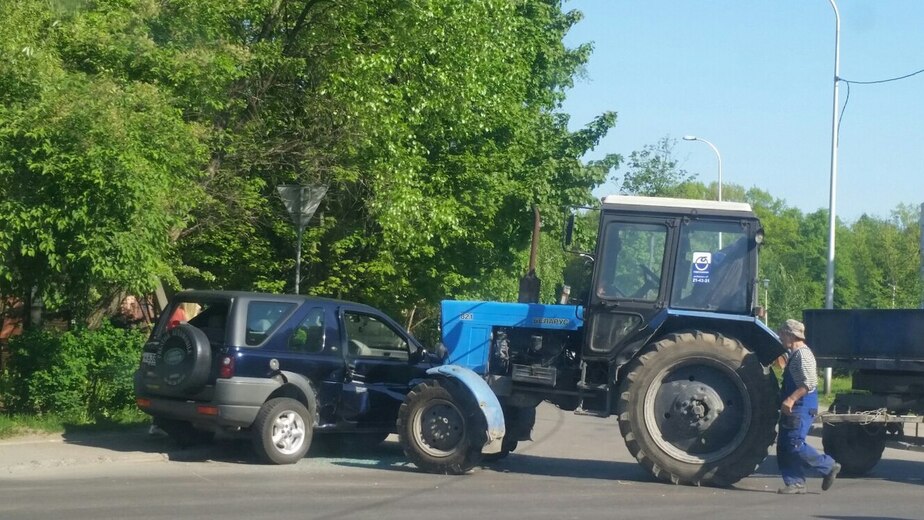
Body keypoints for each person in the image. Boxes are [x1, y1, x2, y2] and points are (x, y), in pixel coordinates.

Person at [776, 318, 841, 494]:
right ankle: (795, 483)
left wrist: (790, 399)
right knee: (784, 445)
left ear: (791, 335)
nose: (780, 337)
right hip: (795, 405)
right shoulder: (794, 354)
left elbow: (809, 383)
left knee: (795, 443)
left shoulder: (803, 355)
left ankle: (828, 466)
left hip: (802, 405)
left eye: (782, 334)